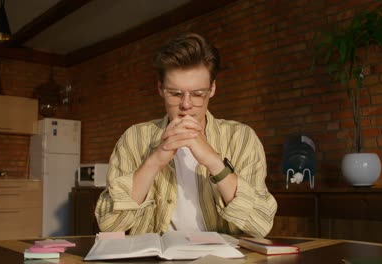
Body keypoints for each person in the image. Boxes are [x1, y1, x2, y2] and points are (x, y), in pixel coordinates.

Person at [95, 33, 277, 238]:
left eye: (198, 94)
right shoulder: (133, 138)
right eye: (175, 93)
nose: (187, 105)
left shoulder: (242, 138)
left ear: (212, 89)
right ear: (160, 89)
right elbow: (109, 224)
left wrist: (214, 161)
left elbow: (260, 225)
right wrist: (155, 160)